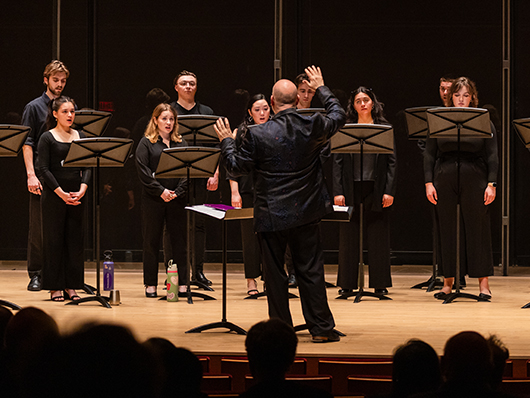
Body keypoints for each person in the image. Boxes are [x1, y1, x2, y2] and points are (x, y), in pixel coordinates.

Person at [215, 66, 346, 343]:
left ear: (272, 104)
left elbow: (236, 168)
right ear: (298, 100)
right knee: (311, 272)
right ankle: (321, 329)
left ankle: (280, 334)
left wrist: (227, 141)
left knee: (274, 278)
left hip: (272, 215)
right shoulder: (313, 124)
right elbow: (339, 115)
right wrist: (321, 87)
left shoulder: (256, 134)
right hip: (306, 211)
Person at [424, 77, 498, 300]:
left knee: (478, 229)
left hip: (475, 173)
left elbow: (493, 155)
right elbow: (429, 153)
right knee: (447, 228)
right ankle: (448, 283)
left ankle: (483, 285)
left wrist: (491, 184)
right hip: (445, 174)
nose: (461, 99)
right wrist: (429, 182)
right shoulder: (439, 120)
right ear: (451, 97)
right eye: (457, 95)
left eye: (466, 95)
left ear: (472, 97)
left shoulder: (484, 119)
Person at [333, 87, 396, 295]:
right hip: (351, 187)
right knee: (349, 236)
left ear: (372, 103)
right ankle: (347, 284)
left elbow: (392, 163)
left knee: (379, 236)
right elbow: (337, 161)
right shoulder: (345, 127)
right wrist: (338, 191)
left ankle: (380, 284)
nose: (362, 104)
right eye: (358, 101)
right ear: (353, 105)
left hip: (375, 187)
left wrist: (389, 190)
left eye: (366, 100)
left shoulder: (384, 127)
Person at [22, 60, 70, 292]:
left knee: (63, 226)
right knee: (39, 226)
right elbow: (27, 143)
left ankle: (63, 274)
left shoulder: (68, 107)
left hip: (64, 172)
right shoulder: (34, 107)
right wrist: (31, 174)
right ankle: (37, 273)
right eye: (55, 80)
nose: (59, 84)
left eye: (63, 81)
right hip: (41, 170)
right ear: (46, 79)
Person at [37, 96, 90, 302]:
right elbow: (43, 169)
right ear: (55, 114)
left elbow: (87, 166)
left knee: (74, 241)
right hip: (55, 195)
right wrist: (60, 192)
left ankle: (72, 286)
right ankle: (54, 286)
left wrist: (83, 188)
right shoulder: (47, 137)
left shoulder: (81, 135)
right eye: (66, 111)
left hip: (76, 195)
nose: (70, 115)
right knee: (54, 240)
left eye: (72, 111)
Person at [169, 70, 217, 286]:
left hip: (200, 175)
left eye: (192, 83)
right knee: (173, 225)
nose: (188, 86)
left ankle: (198, 272)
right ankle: (174, 273)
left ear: (196, 87)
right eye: (184, 83)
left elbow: (216, 146)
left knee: (199, 224)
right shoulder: (169, 111)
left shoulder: (206, 111)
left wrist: (215, 172)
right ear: (176, 87)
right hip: (175, 176)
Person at [135, 103, 188, 297]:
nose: (168, 122)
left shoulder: (181, 143)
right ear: (155, 120)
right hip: (154, 199)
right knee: (151, 241)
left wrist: (178, 190)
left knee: (179, 242)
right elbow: (143, 172)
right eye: (164, 118)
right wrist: (161, 191)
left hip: (177, 197)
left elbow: (187, 171)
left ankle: (181, 283)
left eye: (171, 119)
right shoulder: (146, 143)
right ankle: (150, 284)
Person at [228, 94, 271, 296]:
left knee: (270, 236)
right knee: (249, 238)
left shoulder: (276, 129)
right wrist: (234, 192)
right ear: (249, 112)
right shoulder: (241, 133)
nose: (262, 113)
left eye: (265, 109)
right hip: (246, 190)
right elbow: (232, 166)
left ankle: (270, 279)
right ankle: (251, 280)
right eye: (257, 109)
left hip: (270, 190)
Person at [241, 318, 333, 398]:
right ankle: (321, 329)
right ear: (291, 361)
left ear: (250, 361)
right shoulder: (319, 396)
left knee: (277, 298)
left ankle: (280, 318)